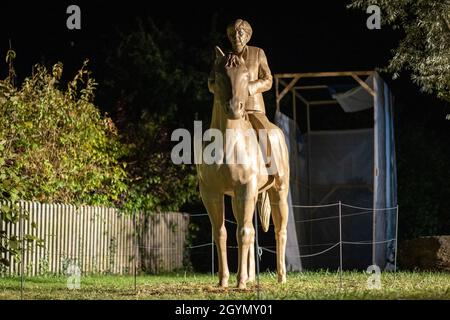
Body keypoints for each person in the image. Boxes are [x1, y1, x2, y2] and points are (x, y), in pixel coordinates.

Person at [208, 18, 281, 170]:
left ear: (247, 36)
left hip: (252, 108)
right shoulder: (223, 58)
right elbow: (211, 83)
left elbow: (268, 80)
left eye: (240, 33)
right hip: (229, 108)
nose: (236, 37)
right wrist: (222, 91)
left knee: (266, 132)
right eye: (232, 34)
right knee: (212, 136)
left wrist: (248, 88)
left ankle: (273, 170)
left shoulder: (258, 53)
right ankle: (205, 176)